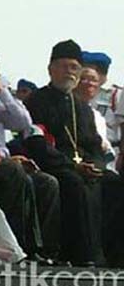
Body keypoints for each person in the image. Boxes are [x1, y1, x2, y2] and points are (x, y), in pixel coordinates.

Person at [24, 40, 124, 266]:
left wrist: (95, 166)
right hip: (54, 165)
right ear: (51, 69)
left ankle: (113, 255)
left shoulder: (82, 108)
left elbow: (95, 145)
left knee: (115, 184)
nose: (70, 72)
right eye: (64, 66)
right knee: (75, 183)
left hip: (85, 166)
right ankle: (81, 254)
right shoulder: (37, 101)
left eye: (74, 67)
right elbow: (37, 143)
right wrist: (73, 165)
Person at [0, 47, 61, 261]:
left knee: (47, 182)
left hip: (4, 159)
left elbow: (23, 123)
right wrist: (3, 159)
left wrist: (2, 92)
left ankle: (42, 249)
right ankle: (15, 245)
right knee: (14, 172)